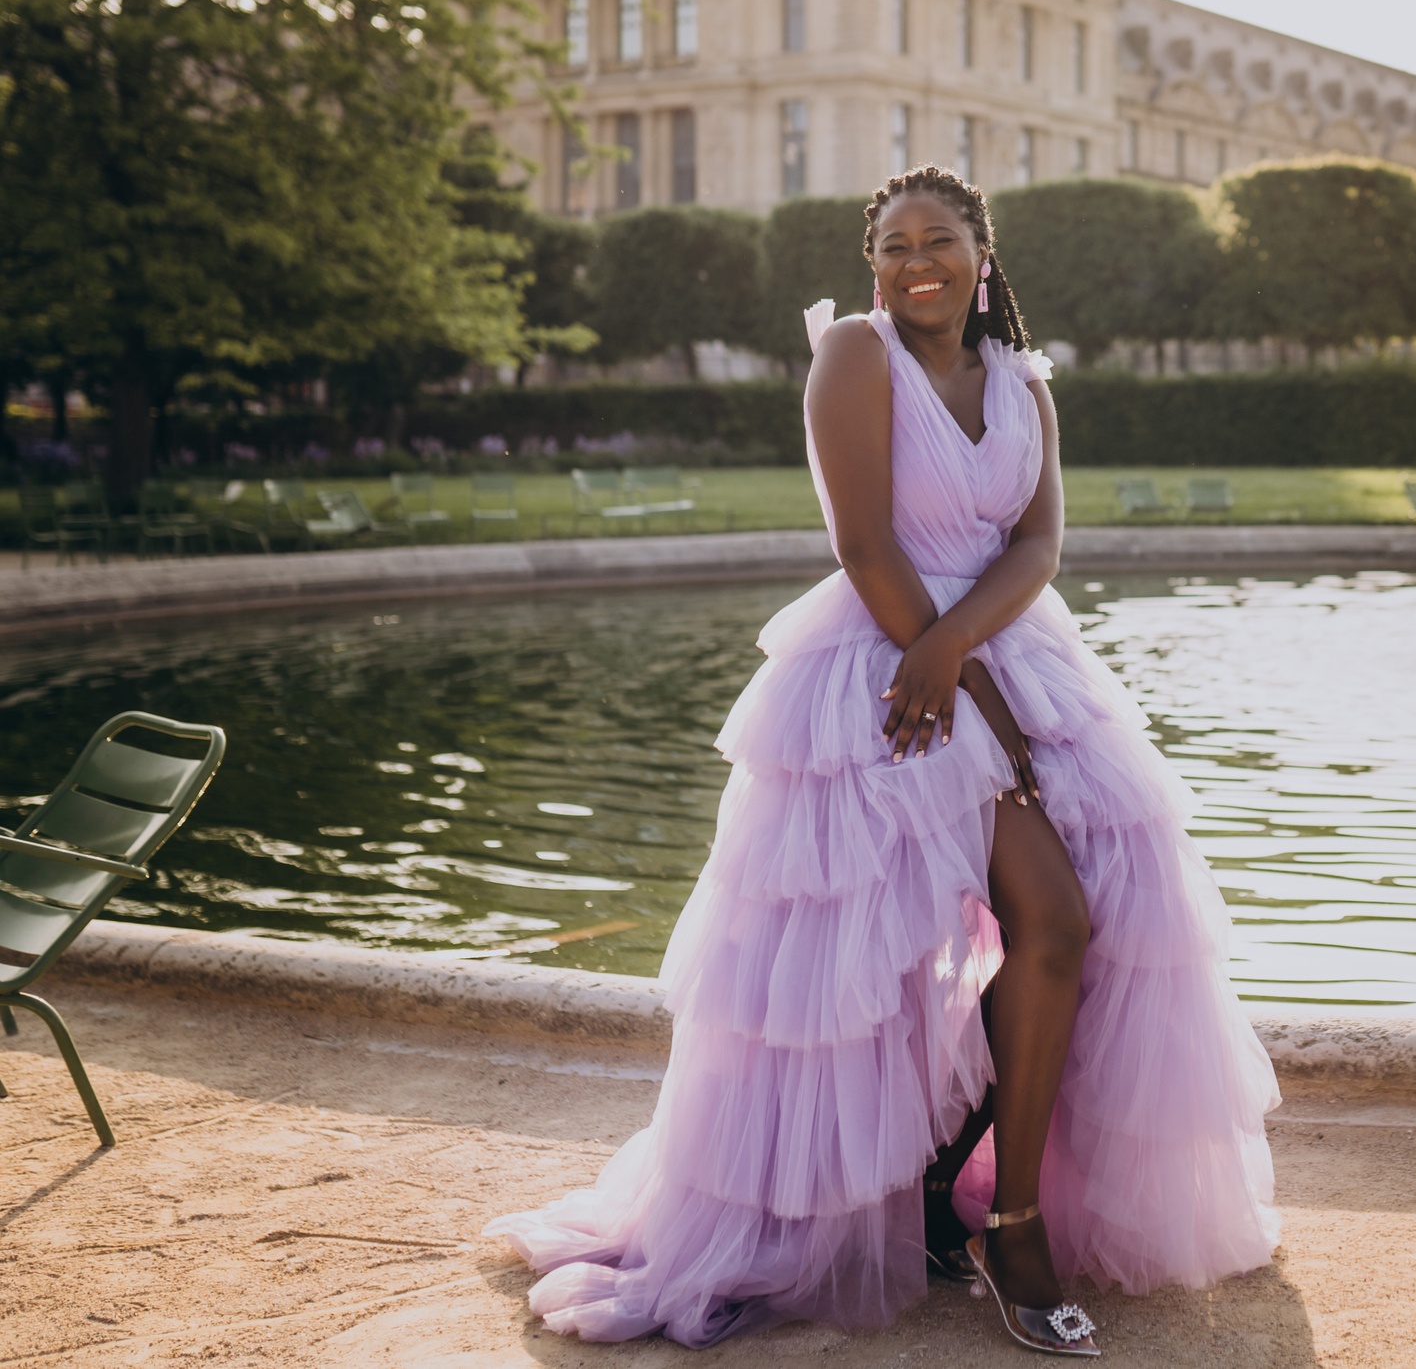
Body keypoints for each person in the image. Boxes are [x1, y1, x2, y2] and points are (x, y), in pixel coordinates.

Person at [489, 167, 1280, 1355]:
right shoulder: (854, 356)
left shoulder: (1023, 381)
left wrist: (968, 655)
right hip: (878, 671)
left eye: (941, 239)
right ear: (874, 265)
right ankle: (1002, 1230)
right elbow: (860, 539)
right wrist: (944, 668)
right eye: (895, 244)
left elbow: (1040, 543)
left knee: (1090, 919)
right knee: (914, 951)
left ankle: (962, 1197)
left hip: (1004, 658)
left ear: (981, 252)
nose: (919, 261)